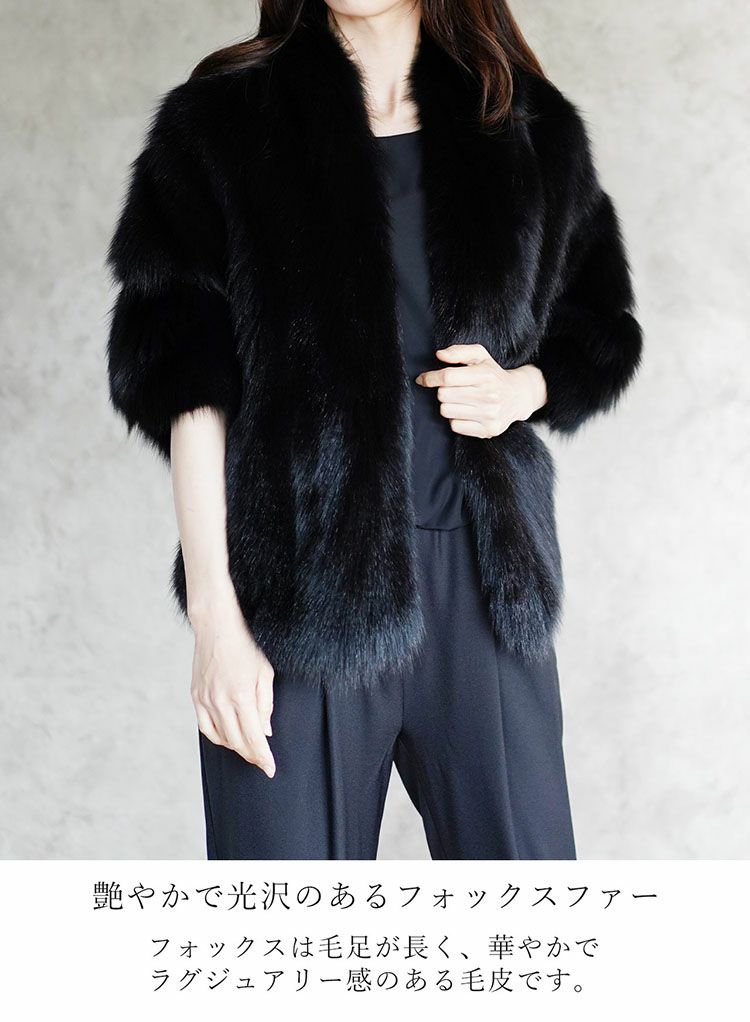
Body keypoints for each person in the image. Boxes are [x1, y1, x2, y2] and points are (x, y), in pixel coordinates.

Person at [106, 0, 642, 860]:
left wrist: (521, 389)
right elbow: (184, 379)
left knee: (528, 915)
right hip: (293, 595)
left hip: (482, 586)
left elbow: (601, 328)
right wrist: (215, 622)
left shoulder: (527, 129)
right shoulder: (221, 126)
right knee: (277, 925)